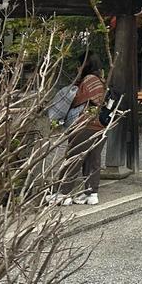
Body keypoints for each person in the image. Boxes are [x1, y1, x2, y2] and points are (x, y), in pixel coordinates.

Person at [55, 53, 106, 205]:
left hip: (85, 124)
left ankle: (63, 193)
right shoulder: (101, 80)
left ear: (85, 65)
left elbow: (77, 99)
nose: (78, 68)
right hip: (100, 124)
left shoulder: (89, 79)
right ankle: (91, 194)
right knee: (93, 160)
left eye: (80, 65)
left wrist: (68, 95)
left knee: (74, 158)